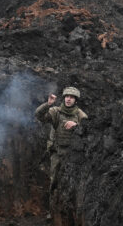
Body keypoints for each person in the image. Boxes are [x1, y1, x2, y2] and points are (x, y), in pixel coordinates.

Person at [34, 87, 88, 218]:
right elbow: (39, 116)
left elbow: (89, 129)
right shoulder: (56, 111)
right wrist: (48, 104)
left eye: (72, 97)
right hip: (57, 153)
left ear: (76, 100)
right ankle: (52, 210)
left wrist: (76, 125)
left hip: (73, 155)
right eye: (67, 96)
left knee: (74, 184)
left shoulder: (80, 114)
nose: (68, 99)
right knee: (54, 181)